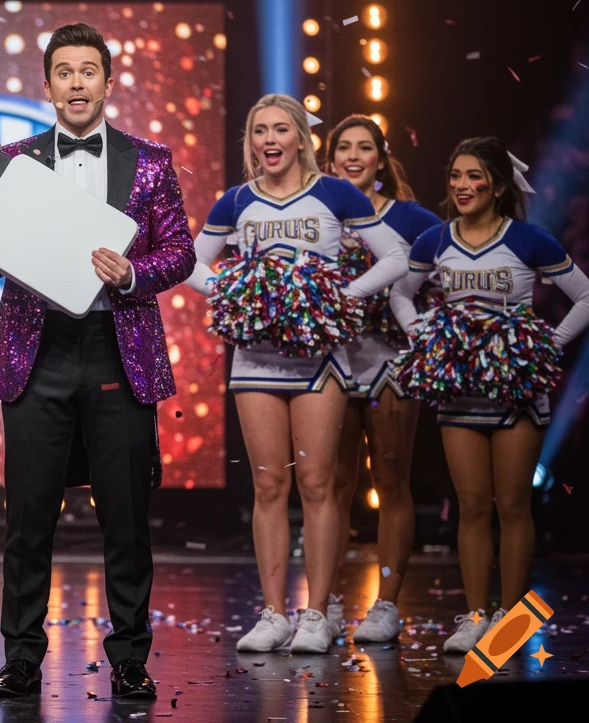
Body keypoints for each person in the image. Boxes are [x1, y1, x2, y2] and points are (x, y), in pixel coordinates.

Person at [0, 23, 196, 701]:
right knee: (28, 518)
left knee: (124, 516)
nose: (78, 82)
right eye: (65, 71)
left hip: (118, 346)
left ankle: (130, 657)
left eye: (90, 71)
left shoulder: (149, 160)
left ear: (109, 83)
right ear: (48, 83)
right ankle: (21, 656)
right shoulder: (13, 162)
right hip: (39, 350)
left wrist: (132, 274)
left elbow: (181, 253)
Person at [185, 95, 409, 654]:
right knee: (268, 485)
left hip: (320, 360)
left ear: (300, 139)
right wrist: (236, 292)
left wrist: (340, 295)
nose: (269, 138)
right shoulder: (236, 201)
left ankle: (315, 613)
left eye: (280, 128)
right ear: (250, 141)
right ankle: (272, 614)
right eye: (259, 130)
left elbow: (397, 256)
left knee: (316, 483)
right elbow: (190, 262)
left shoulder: (334, 192)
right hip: (256, 358)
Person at [387, 137, 589, 654]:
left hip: (516, 394)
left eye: (474, 176)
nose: (462, 185)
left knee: (513, 505)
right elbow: (400, 293)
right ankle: (476, 615)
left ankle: (511, 622)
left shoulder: (528, 240)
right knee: (473, 506)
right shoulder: (434, 241)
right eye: (456, 175)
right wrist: (424, 335)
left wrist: (546, 342)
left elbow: (585, 295)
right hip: (460, 396)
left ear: (498, 186)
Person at [325, 115, 441, 643]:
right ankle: (322, 602)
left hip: (391, 361)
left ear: (380, 156)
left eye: (363, 147)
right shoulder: (317, 211)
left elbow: (438, 283)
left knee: (390, 482)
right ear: (329, 160)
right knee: (330, 484)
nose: (353, 156)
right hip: (330, 362)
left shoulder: (412, 218)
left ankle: (386, 607)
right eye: (343, 148)